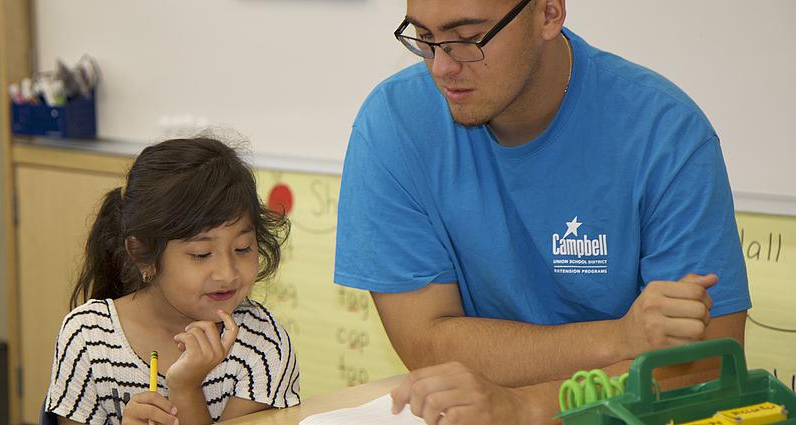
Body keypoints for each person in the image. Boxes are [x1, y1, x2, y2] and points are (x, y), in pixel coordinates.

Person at [334, 0, 751, 422]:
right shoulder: (392, 124)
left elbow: (704, 367)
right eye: (424, 37)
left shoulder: (665, 132)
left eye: (467, 38)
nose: (441, 67)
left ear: (549, 13)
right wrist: (621, 338)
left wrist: (528, 406)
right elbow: (427, 343)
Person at [45, 137, 300, 425]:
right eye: (201, 254)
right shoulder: (88, 337)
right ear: (143, 255)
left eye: (242, 248)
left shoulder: (262, 345)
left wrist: (186, 390)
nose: (227, 273)